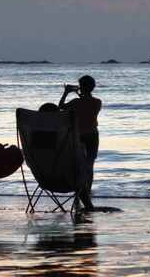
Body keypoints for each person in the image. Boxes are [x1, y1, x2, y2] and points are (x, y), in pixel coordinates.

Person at [58, 75, 101, 212]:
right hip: (93, 135)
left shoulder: (75, 102)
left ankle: (79, 191)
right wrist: (79, 92)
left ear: (81, 87)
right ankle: (87, 190)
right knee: (90, 164)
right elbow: (87, 106)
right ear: (93, 87)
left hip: (78, 136)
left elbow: (61, 107)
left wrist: (66, 92)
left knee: (78, 164)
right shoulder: (97, 102)